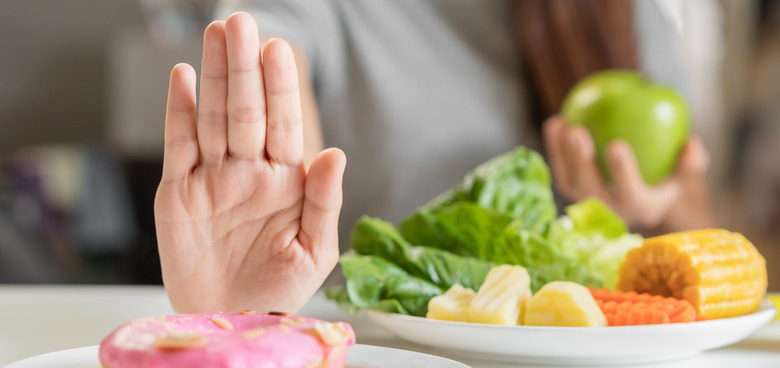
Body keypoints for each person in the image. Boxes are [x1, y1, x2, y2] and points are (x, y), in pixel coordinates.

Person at [156, 2, 717, 313]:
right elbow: (270, 48)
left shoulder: (622, 14)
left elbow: (698, 224)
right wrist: (248, 300)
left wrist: (649, 208)